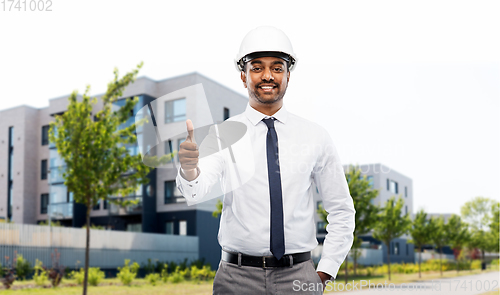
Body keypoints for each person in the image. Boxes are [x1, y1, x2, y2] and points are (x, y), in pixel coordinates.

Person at [176, 26, 355, 294]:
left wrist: (325, 270)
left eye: (277, 67)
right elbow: (196, 190)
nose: (268, 76)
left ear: (288, 76)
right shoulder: (223, 134)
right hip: (236, 279)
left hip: (299, 276)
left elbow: (341, 209)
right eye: (257, 67)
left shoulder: (315, 136)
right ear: (243, 76)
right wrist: (189, 169)